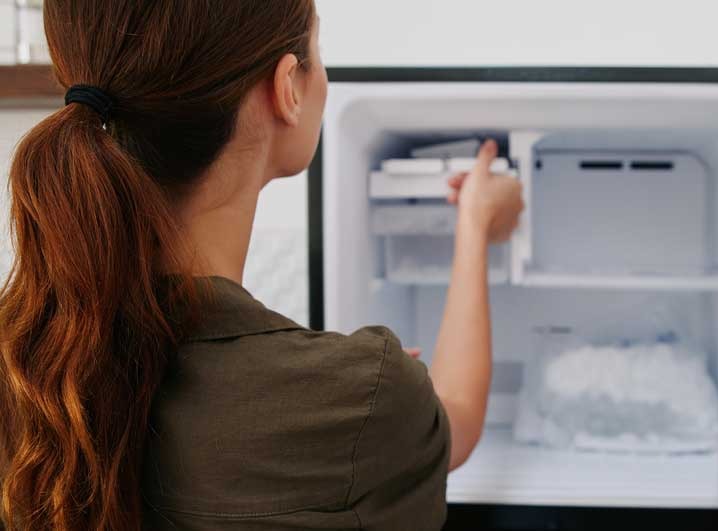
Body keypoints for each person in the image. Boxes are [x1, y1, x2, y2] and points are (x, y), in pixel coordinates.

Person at [0, 1, 523, 530]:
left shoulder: (19, 357)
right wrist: (475, 225)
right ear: (287, 88)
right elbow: (456, 415)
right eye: (316, 51)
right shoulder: (362, 401)